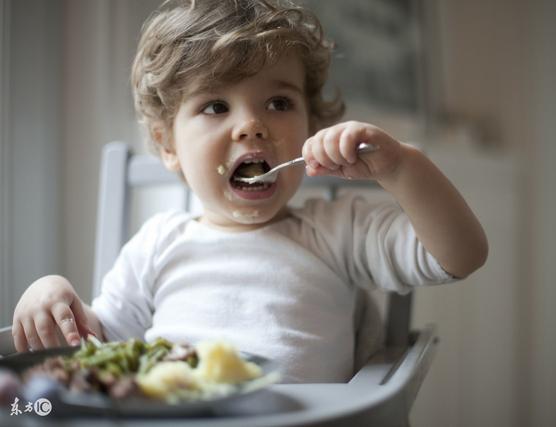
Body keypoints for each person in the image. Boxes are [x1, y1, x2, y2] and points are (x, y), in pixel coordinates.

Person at [12, 0, 487, 382]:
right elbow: (103, 346)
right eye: (216, 106)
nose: (252, 126)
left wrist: (402, 167)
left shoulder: (338, 232)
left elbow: (461, 255)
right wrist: (52, 296)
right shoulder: (157, 245)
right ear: (167, 144)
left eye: (279, 102)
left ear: (312, 125)